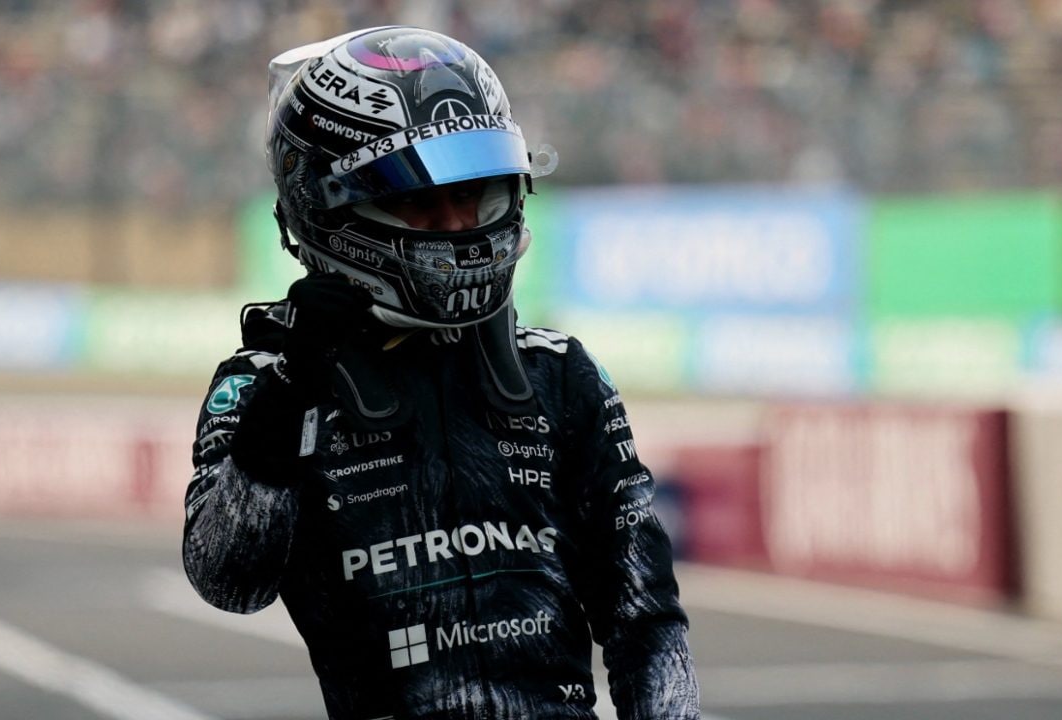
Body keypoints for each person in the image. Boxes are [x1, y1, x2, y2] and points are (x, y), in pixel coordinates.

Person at [183, 25, 700, 720]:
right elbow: (228, 580)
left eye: (475, 193)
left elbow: (645, 616)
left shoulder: (559, 374)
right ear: (326, 208)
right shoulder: (262, 384)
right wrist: (291, 394)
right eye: (418, 201)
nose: (458, 225)